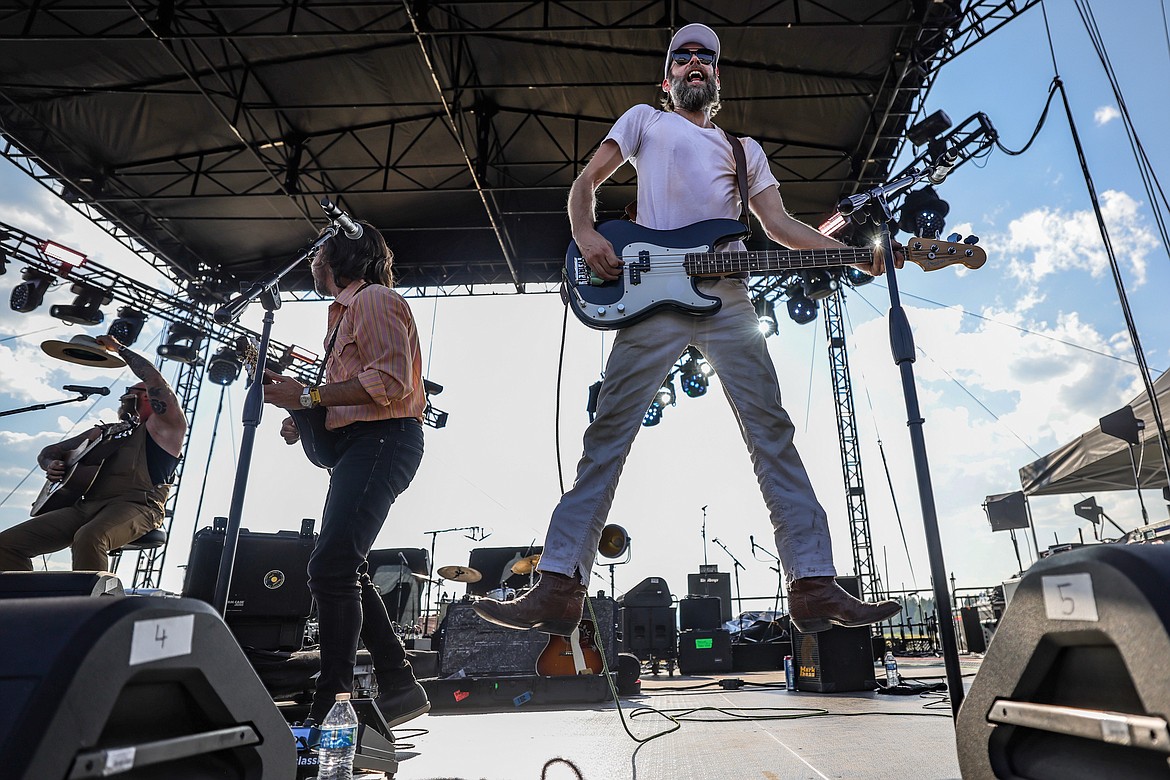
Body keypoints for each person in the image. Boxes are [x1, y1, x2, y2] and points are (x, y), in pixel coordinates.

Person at [475, 23, 902, 637]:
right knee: (607, 436)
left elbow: (780, 227)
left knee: (771, 432)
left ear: (717, 77)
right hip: (652, 297)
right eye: (683, 56)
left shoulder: (742, 149)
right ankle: (559, 584)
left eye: (707, 57)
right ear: (669, 74)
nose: (695, 63)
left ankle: (812, 583)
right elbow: (586, 182)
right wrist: (587, 234)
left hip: (727, 298)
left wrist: (844, 254)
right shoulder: (645, 121)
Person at [262, 222, 429, 728]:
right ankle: (399, 685)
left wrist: (309, 397)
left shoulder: (375, 299)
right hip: (362, 443)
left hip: (384, 441)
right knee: (343, 568)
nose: (310, 262)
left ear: (336, 255)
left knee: (331, 568)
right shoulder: (341, 317)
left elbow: (390, 381)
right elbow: (349, 393)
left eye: (316, 253)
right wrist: (305, 415)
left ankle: (330, 706)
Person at [0, 335, 184, 572]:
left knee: (90, 537)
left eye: (131, 391)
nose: (123, 396)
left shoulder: (166, 428)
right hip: (86, 506)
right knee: (6, 545)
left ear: (148, 396)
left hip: (138, 506)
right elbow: (50, 451)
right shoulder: (103, 432)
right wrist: (51, 463)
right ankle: (30, 605)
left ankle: (91, 607)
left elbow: (154, 379)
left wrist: (118, 348)